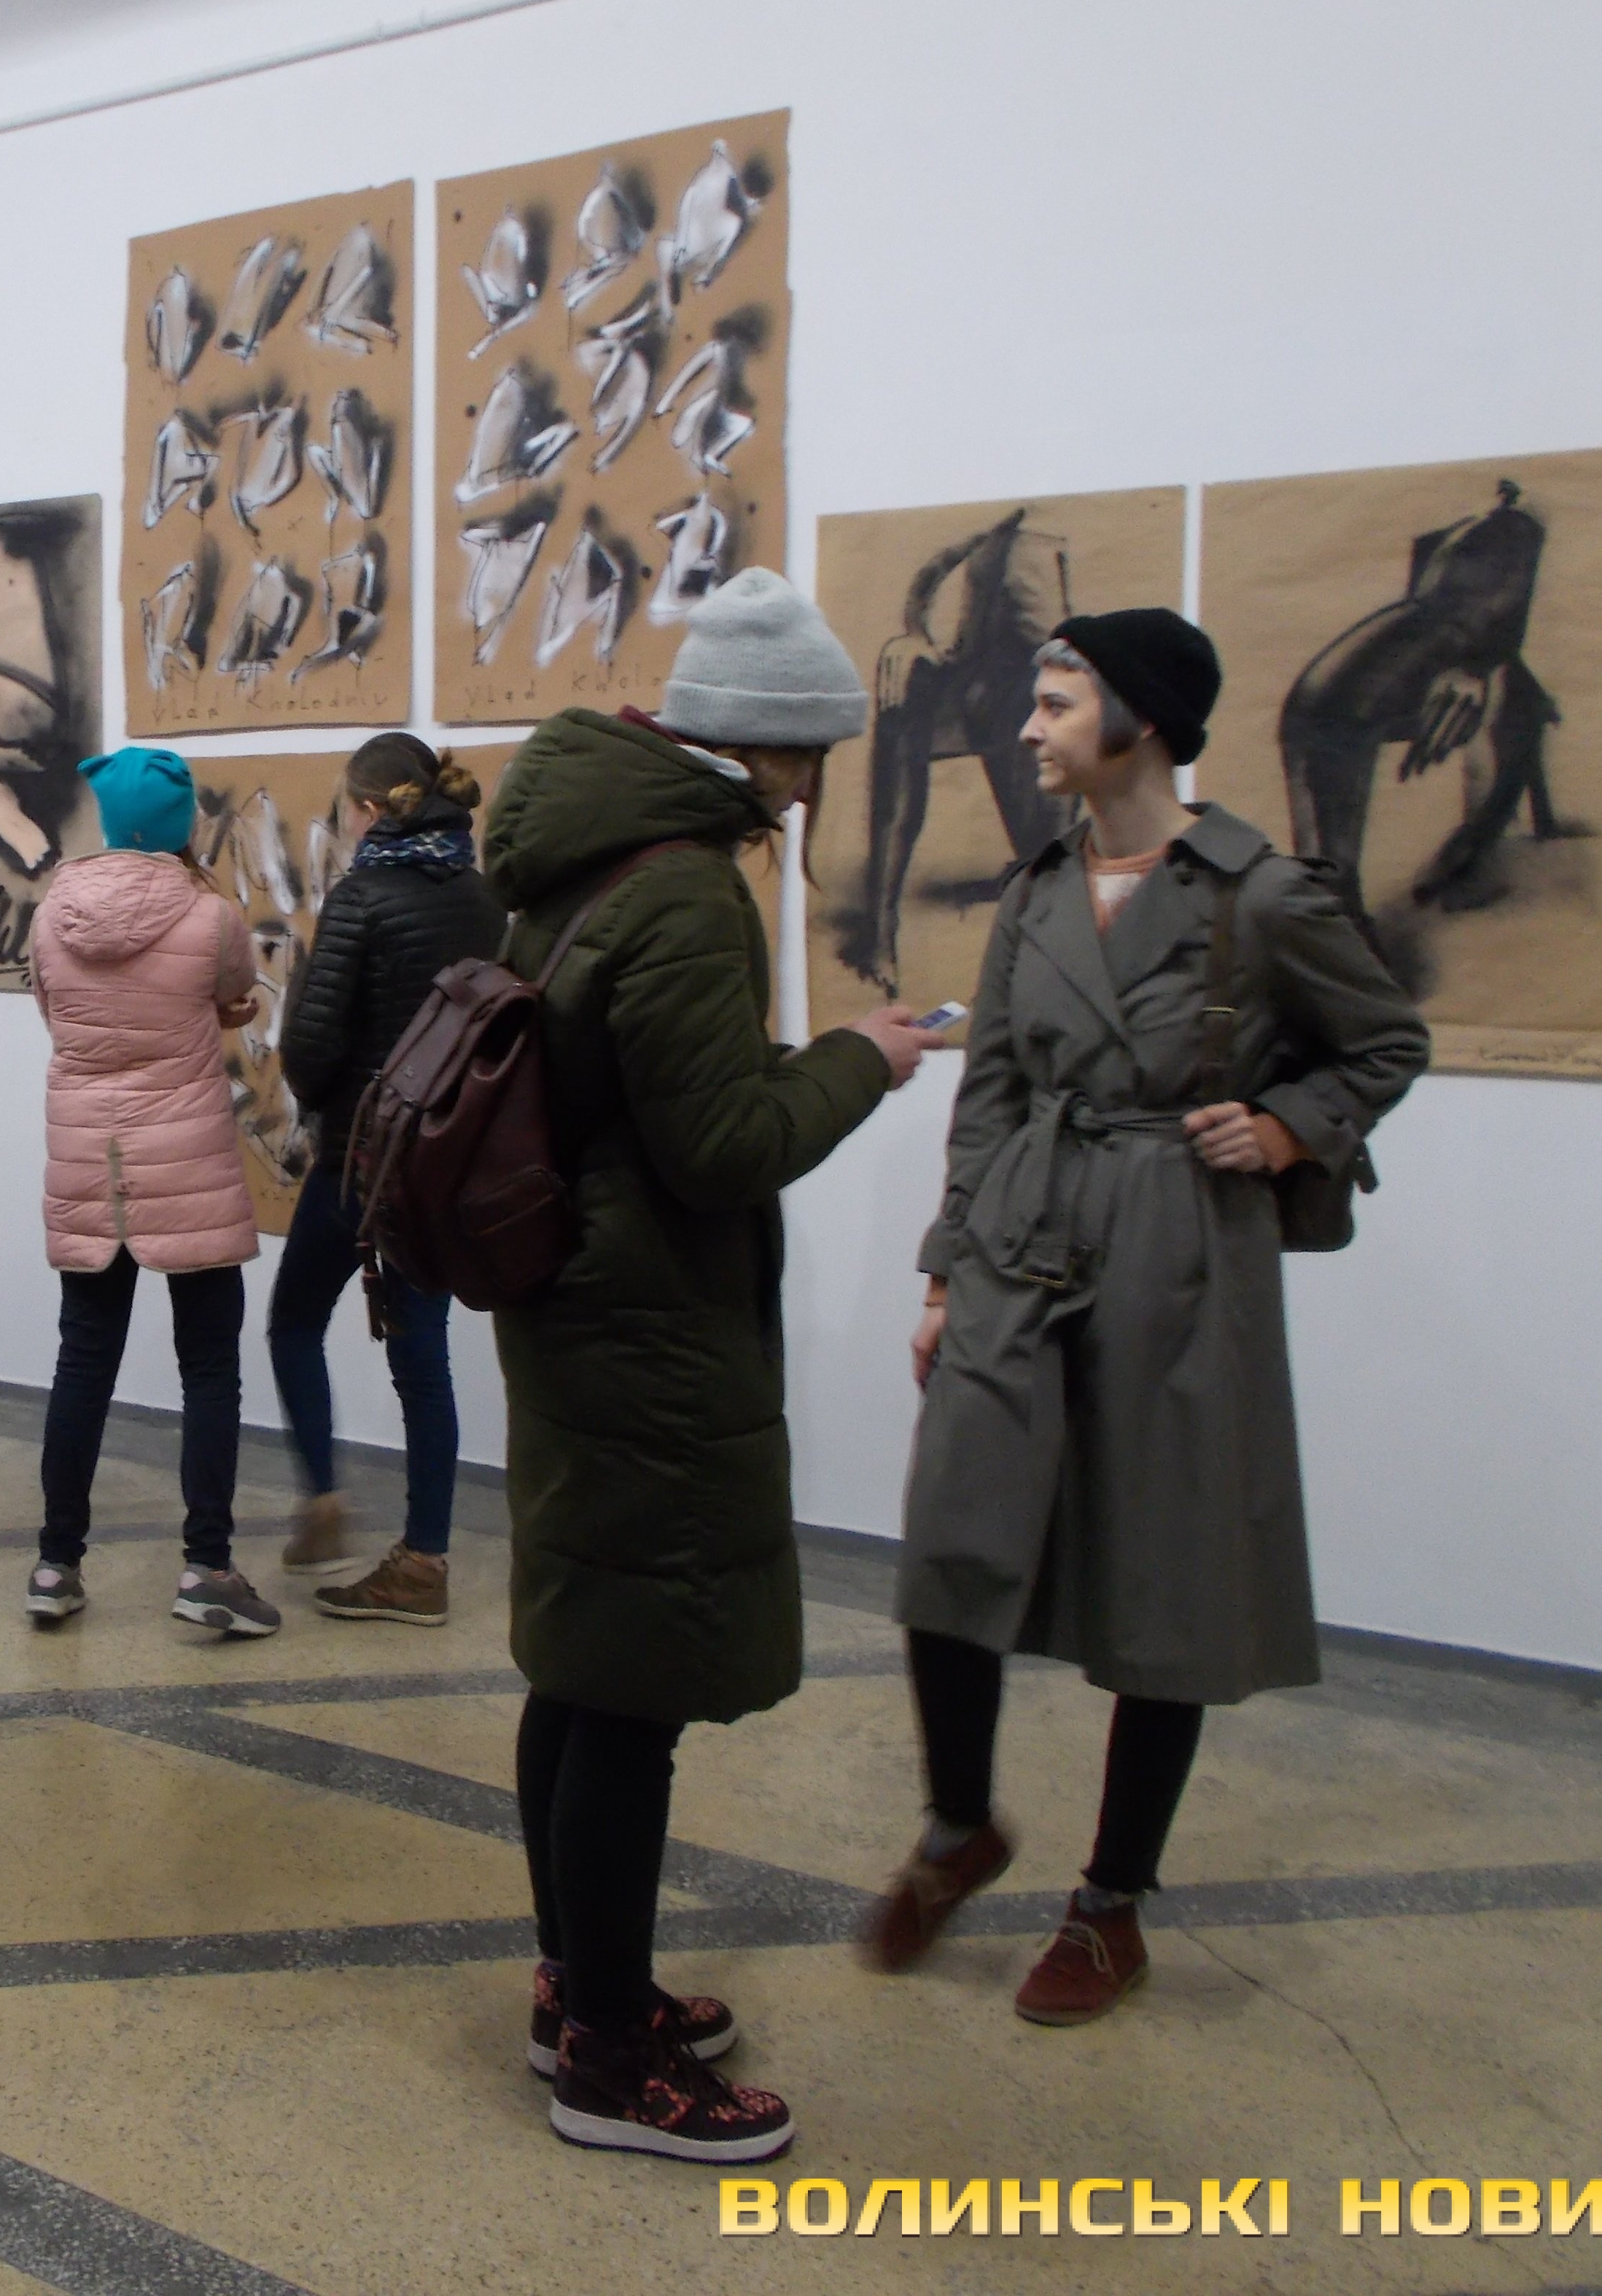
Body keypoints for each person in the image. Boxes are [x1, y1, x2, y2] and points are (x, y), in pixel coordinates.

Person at [867, 608, 1428, 2022]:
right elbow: (992, 1090)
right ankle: (957, 1825)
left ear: (1144, 722)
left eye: (1056, 702)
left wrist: (1290, 1127)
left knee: (1169, 1575)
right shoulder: (1038, 888)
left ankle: (1110, 1905)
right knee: (951, 1534)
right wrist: (942, 1275)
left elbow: (1385, 1040)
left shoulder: (1262, 893)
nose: (1028, 727)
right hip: (1026, 1225)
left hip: (1179, 1238)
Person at [487, 570, 941, 2163]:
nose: (810, 790)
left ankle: (579, 1989)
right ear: (760, 745)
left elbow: (638, 1098)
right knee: (629, 1696)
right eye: (807, 756)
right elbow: (721, 1148)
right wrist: (861, 1062)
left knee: (580, 1664)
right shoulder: (682, 889)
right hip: (650, 1332)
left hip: (579, 1306)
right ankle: (613, 2066)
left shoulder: (580, 858)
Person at [25, 745, 278, 1637]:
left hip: (90, 1162)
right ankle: (208, 1568)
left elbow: (58, 1016)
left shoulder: (54, 910)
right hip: (188, 1163)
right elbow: (233, 993)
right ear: (179, 827)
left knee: (82, 1363)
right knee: (208, 1369)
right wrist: (214, 1013)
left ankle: (56, 1565)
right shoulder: (211, 915)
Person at [268, 734, 505, 1624]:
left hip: (360, 1162)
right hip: (444, 1164)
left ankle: (323, 1501)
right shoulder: (485, 899)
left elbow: (310, 1048)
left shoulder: (361, 897)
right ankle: (426, 1558)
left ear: (368, 810)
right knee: (423, 1360)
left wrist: (325, 1102)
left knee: (295, 1320)